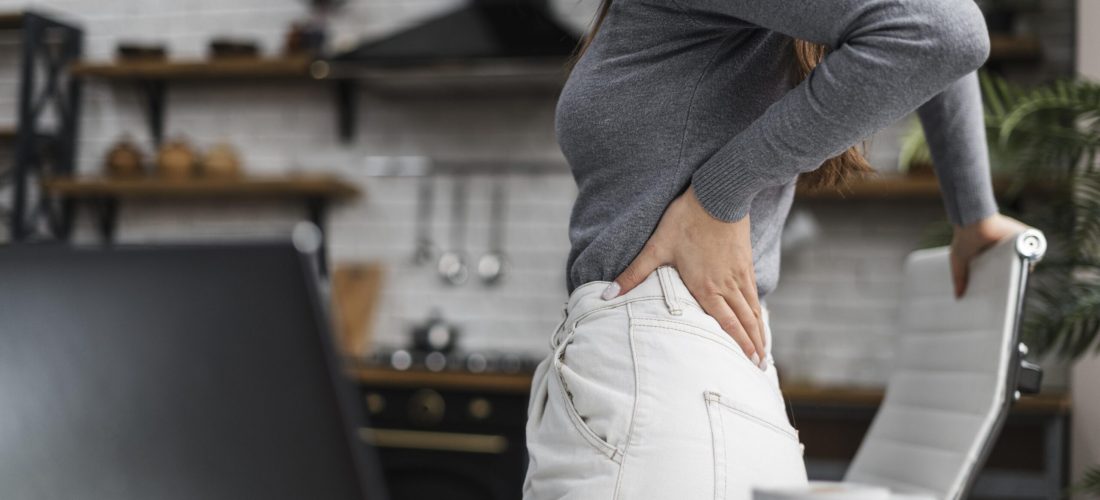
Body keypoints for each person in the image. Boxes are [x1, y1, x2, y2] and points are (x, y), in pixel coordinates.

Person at [523, 0, 1030, 498]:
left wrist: (718, 193)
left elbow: (942, 32)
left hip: (661, 392)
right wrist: (972, 212)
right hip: (679, 391)